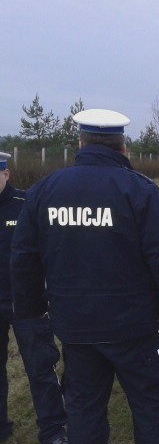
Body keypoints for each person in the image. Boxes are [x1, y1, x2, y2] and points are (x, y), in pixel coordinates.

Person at [10, 110, 159, 444]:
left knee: (83, 409)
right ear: (123, 147)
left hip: (75, 328)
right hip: (134, 328)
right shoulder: (140, 190)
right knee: (152, 406)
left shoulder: (44, 191)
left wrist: (30, 310)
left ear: (79, 144)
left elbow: (24, 259)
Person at [0, 152, 67, 444]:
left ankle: (53, 431)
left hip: (27, 302)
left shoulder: (27, 205)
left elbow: (52, 250)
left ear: (6, 174)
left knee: (40, 369)